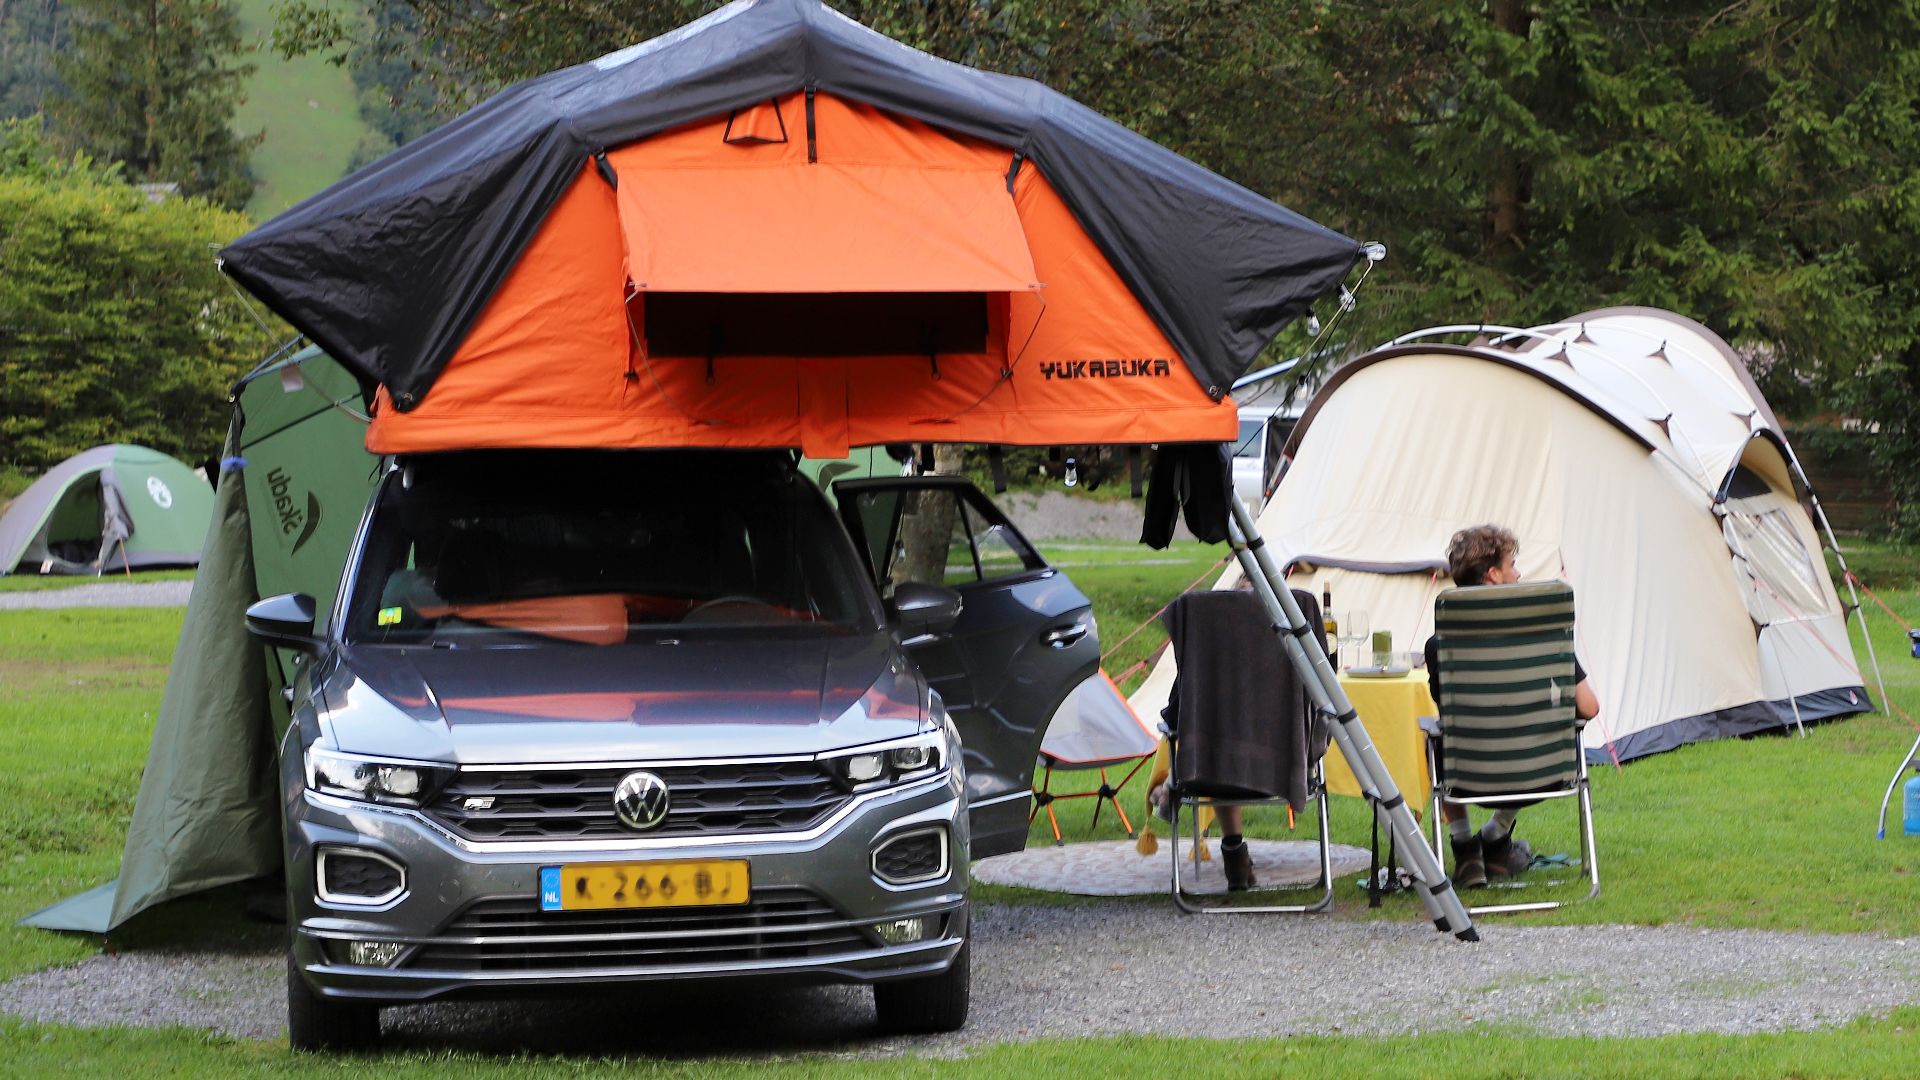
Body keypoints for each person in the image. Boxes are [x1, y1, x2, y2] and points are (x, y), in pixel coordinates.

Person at [1425, 525, 1599, 888]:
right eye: (1513, 566)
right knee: (1528, 730)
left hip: (1468, 777)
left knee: (1439, 735)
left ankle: (1465, 849)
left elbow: (1450, 712)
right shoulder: (1543, 634)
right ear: (1493, 576)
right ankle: (1497, 836)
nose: (1519, 574)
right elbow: (1589, 707)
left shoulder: (1440, 644)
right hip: (1539, 774)